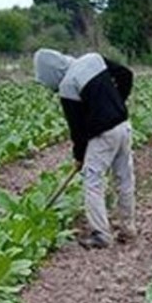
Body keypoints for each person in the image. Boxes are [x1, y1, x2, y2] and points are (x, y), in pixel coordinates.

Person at [33, 48, 135, 249]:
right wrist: (116, 103)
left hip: (103, 135)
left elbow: (77, 130)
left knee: (93, 181)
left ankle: (102, 235)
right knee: (124, 177)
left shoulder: (67, 86)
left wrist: (80, 157)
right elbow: (126, 74)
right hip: (123, 126)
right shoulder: (93, 59)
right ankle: (128, 228)